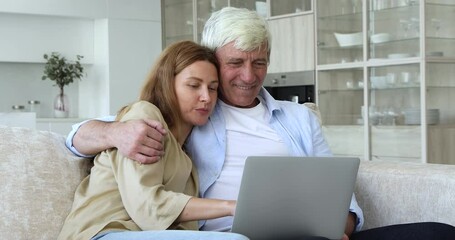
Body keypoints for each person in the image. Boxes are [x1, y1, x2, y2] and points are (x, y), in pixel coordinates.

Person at [66, 7, 455, 240]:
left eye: (260, 62)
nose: (249, 76)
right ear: (210, 59)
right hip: (233, 236)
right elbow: (86, 134)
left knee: (438, 233)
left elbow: (341, 193)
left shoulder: (299, 118)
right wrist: (113, 132)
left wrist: (342, 224)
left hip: (308, 234)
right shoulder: (190, 111)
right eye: (235, 63)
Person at [58, 40, 249, 240]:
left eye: (212, 88)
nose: (206, 97)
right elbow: (147, 207)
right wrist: (230, 206)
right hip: (101, 234)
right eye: (194, 85)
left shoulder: (185, 152)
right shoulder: (143, 118)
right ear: (167, 85)